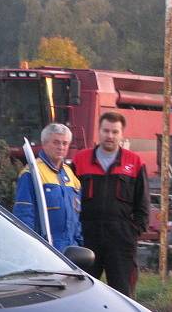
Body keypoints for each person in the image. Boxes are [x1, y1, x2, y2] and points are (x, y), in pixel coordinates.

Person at [73, 112, 150, 297]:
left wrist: (132, 231)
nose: (110, 136)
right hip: (87, 238)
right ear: (98, 132)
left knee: (122, 294)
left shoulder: (135, 162)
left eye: (115, 132)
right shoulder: (80, 160)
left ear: (122, 134)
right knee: (83, 292)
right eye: (106, 131)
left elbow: (143, 203)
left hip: (121, 241)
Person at [13, 123, 82, 253]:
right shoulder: (31, 173)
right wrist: (30, 247)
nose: (61, 147)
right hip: (45, 250)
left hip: (70, 250)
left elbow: (77, 216)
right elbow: (24, 215)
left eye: (65, 143)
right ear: (44, 144)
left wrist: (78, 242)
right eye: (56, 142)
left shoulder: (70, 174)